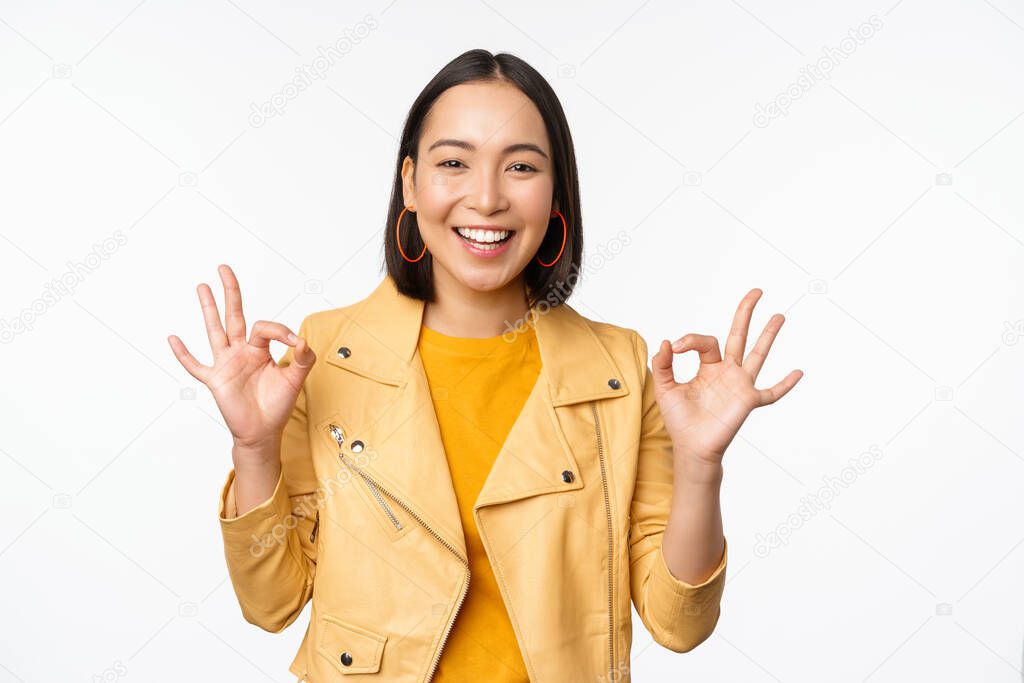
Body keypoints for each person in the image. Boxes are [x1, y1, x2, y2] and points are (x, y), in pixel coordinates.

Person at [168, 48, 802, 683]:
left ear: (556, 192)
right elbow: (270, 603)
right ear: (410, 184)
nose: (488, 197)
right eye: (454, 164)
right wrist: (254, 447)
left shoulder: (619, 369)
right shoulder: (327, 354)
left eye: (521, 167)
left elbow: (679, 623)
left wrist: (700, 466)